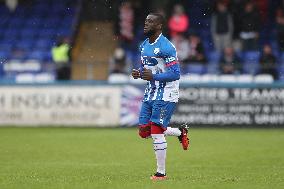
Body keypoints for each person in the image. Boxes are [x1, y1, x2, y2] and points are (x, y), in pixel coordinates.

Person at [131, 13, 189, 181]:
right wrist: (138, 73)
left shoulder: (167, 47)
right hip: (151, 91)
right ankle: (180, 132)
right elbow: (146, 69)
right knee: (143, 131)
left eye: (150, 21)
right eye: (145, 20)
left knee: (156, 130)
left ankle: (160, 173)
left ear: (159, 26)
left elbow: (176, 74)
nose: (145, 23)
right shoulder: (143, 45)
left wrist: (153, 77)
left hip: (167, 93)